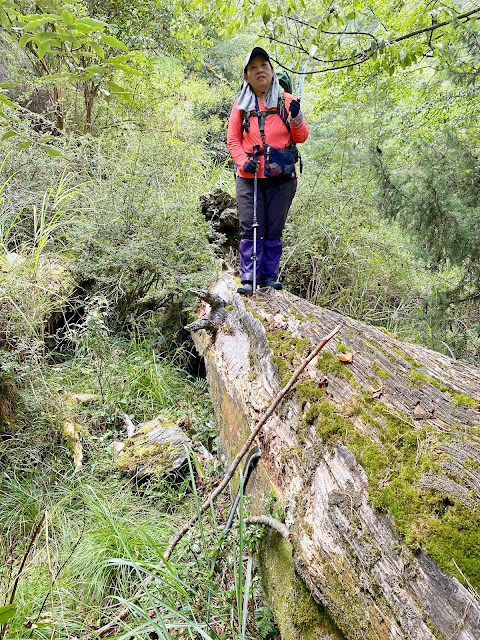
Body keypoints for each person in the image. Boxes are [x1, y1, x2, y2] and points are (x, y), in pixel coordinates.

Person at [227, 47, 309, 296]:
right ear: (246, 77)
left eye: (264, 65)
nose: (259, 70)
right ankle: (249, 279)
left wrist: (296, 117)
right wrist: (242, 162)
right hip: (249, 177)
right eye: (253, 68)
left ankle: (268, 278)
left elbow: (301, 137)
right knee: (250, 228)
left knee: (273, 228)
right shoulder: (241, 105)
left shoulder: (287, 101)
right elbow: (232, 139)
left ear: (272, 71)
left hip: (281, 177)